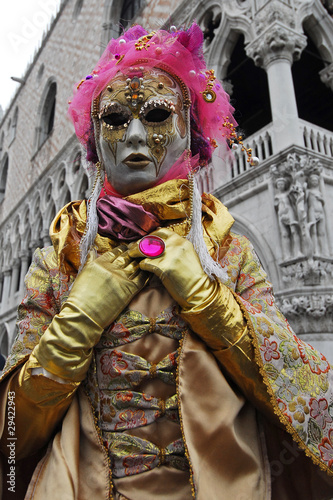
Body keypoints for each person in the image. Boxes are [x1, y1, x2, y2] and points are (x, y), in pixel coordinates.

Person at [0, 24, 332, 500]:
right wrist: (83, 315)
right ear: (96, 142)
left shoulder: (226, 251)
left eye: (156, 114)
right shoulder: (61, 260)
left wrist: (206, 298)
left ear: (189, 135)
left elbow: (291, 395)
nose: (134, 134)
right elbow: (13, 436)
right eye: (115, 119)